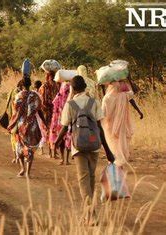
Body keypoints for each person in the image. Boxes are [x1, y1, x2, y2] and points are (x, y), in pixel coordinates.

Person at [55, 75, 114, 207]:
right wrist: (108, 151)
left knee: (83, 179)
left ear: (73, 89)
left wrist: (56, 143)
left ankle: (90, 213)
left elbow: (64, 127)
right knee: (91, 177)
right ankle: (90, 211)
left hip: (79, 146)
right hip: (94, 144)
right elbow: (99, 128)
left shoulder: (70, 105)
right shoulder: (94, 103)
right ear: (85, 87)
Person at [8, 78, 46, 178]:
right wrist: (44, 122)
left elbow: (15, 111)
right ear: (30, 84)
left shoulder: (18, 96)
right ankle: (28, 172)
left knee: (19, 146)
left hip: (20, 124)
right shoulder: (35, 96)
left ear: (22, 85)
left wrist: (12, 123)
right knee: (30, 147)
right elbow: (40, 111)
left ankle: (22, 169)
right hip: (32, 125)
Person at [101, 80, 142, 167]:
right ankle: (120, 162)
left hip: (109, 124)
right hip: (123, 124)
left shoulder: (106, 98)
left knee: (112, 142)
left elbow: (102, 114)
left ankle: (114, 161)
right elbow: (133, 94)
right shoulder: (124, 95)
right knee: (121, 142)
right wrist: (139, 111)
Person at [49, 82, 72, 164]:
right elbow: (55, 108)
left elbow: (54, 108)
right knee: (66, 139)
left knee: (66, 139)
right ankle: (65, 159)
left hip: (62, 120)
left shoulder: (61, 96)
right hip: (62, 120)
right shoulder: (66, 97)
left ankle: (64, 159)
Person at [39, 71, 60, 157]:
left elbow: (42, 101)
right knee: (51, 131)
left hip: (51, 111)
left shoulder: (48, 86)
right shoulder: (51, 86)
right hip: (50, 111)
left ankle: (52, 150)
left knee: (51, 131)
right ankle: (52, 151)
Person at [6, 79, 24, 163]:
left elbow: (9, 105)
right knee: (20, 139)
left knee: (14, 139)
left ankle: (16, 156)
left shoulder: (12, 91)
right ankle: (19, 157)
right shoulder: (22, 94)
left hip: (13, 118)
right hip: (22, 120)